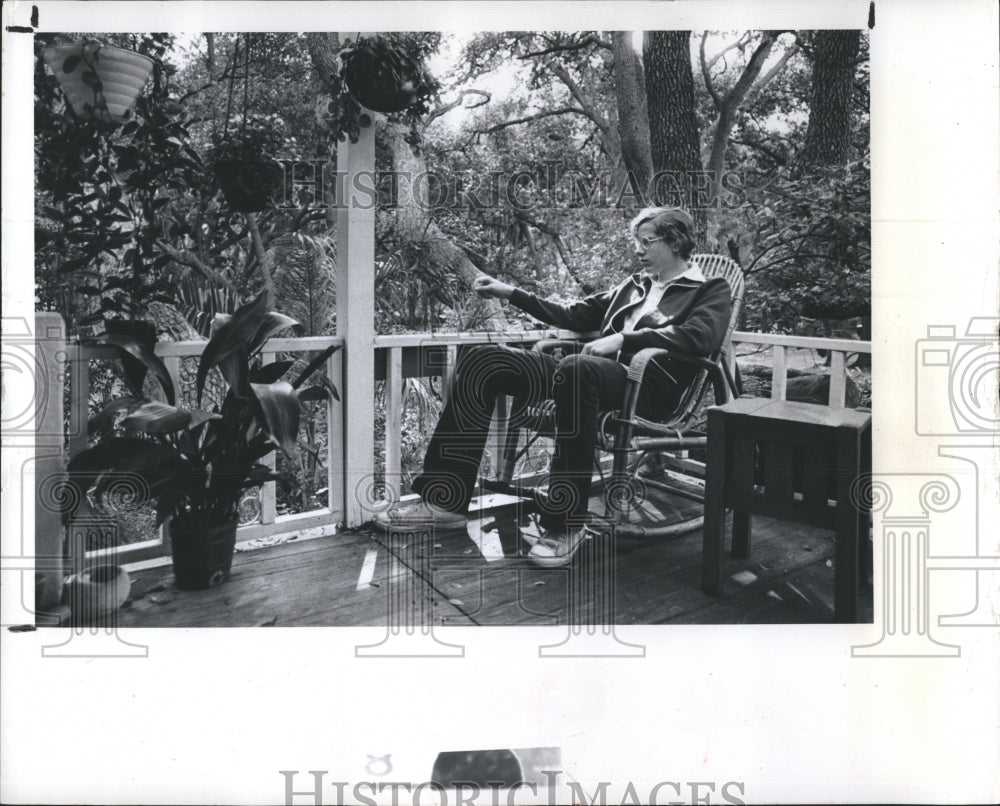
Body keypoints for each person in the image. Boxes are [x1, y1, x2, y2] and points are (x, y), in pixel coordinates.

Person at [373, 206, 732, 567]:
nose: (637, 250)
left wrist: (623, 340)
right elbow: (573, 314)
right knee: (485, 359)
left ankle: (565, 523)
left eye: (646, 242)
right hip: (590, 374)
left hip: (647, 391)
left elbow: (699, 337)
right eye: (636, 242)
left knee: (578, 369)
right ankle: (445, 500)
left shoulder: (709, 289)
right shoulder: (635, 284)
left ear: (674, 241)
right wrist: (509, 292)